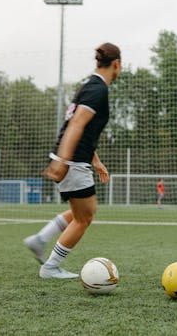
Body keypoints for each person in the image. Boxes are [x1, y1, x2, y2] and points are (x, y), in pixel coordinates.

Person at [24, 42, 122, 279]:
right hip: (73, 161)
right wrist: (64, 160)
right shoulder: (98, 90)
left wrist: (95, 161)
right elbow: (76, 124)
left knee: (79, 211)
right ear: (116, 64)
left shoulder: (89, 85)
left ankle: (40, 240)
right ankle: (50, 267)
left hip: (75, 158)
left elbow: (84, 129)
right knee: (84, 217)